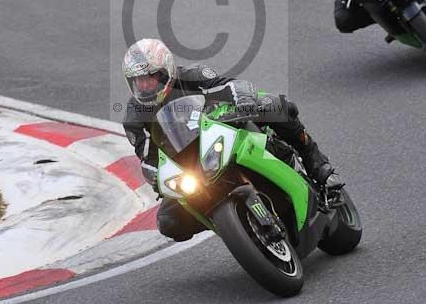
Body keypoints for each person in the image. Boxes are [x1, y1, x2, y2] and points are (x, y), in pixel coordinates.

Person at [122, 38, 335, 242]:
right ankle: (233, 223)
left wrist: (243, 99)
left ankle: (313, 158)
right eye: (138, 81)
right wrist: (157, 176)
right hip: (188, 166)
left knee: (277, 106)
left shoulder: (191, 75)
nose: (144, 86)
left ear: (165, 70)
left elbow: (228, 85)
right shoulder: (133, 116)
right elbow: (147, 156)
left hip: (222, 127)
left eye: (149, 78)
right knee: (168, 222)